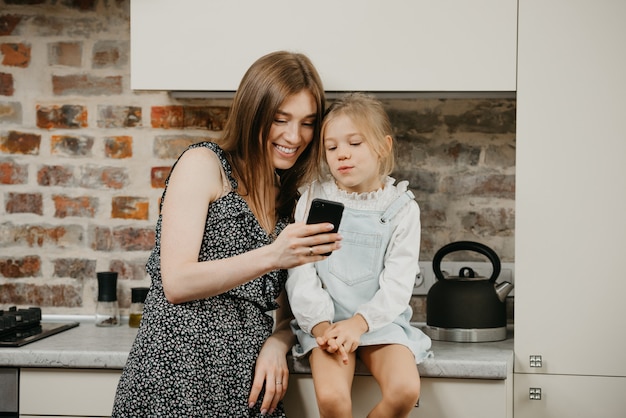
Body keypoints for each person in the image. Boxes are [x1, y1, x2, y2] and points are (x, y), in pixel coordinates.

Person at [112, 51, 342, 418]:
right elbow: (176, 281)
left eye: (307, 123)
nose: (294, 136)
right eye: (280, 119)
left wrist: (277, 343)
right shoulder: (204, 165)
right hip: (176, 372)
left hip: (246, 383)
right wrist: (273, 255)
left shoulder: (291, 203)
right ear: (253, 114)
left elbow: (287, 312)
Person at [286, 92, 432, 418]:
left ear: (383, 146)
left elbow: (398, 282)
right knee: (334, 401)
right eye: (332, 147)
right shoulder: (313, 197)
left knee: (404, 391)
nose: (342, 155)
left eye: (355, 143)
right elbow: (300, 271)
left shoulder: (401, 209)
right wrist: (323, 327)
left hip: (378, 323)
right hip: (326, 326)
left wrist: (360, 324)